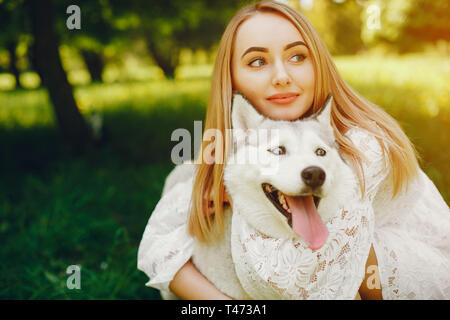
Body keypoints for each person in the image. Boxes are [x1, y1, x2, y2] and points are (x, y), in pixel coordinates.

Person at [137, 1, 450, 300]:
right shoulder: (238, 150)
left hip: (418, 264)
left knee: (346, 267)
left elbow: (306, 272)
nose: (282, 76)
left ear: (319, 64)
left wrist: (237, 196)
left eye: (297, 57)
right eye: (257, 61)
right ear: (231, 83)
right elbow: (157, 245)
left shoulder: (363, 143)